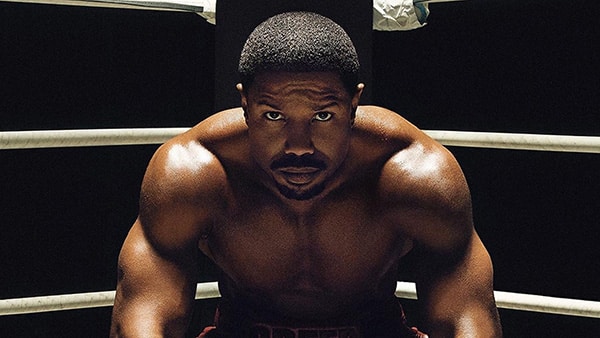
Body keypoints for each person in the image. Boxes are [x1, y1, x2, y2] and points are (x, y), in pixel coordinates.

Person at [110, 11, 502, 338]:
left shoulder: (412, 171)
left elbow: (464, 316)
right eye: (274, 116)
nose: (299, 145)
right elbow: (145, 315)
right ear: (245, 104)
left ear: (354, 105)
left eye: (323, 116)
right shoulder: (195, 170)